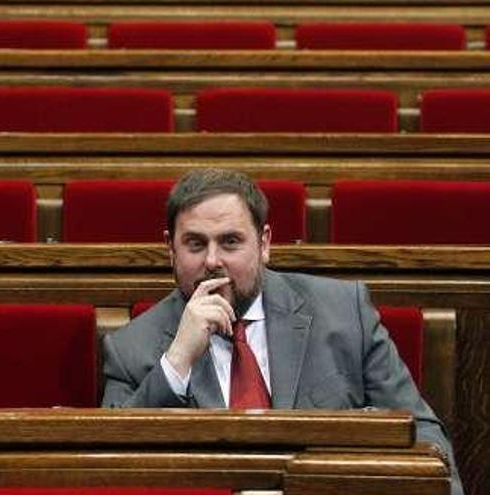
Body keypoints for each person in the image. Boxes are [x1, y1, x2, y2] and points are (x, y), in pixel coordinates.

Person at [101, 168, 462, 495]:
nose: (212, 261)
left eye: (230, 242)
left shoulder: (343, 313)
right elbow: (108, 468)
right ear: (170, 250)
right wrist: (177, 362)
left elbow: (426, 441)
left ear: (265, 243)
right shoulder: (132, 347)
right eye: (195, 244)